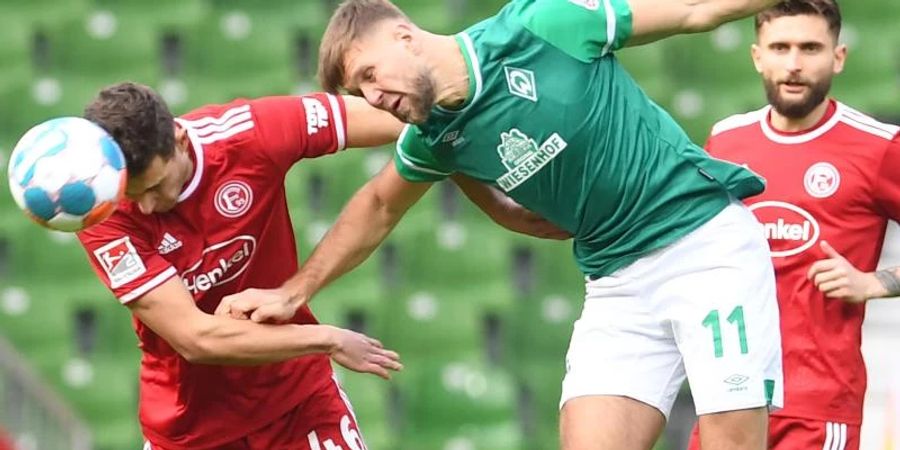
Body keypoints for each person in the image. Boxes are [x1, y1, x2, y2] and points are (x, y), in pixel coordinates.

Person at [215, 0, 799, 449]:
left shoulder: (543, 23)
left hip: (703, 245)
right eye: (359, 90)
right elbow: (379, 204)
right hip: (616, 280)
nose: (373, 96)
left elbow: (696, 10)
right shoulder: (434, 135)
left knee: (731, 437)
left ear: (403, 35)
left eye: (370, 73)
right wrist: (295, 291)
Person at [75, 82, 563, 450]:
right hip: (189, 429)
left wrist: (498, 203)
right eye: (131, 195)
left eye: (156, 186)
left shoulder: (250, 134)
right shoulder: (100, 211)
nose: (146, 208)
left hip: (297, 403)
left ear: (179, 138)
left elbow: (424, 122)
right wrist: (325, 338)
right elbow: (196, 339)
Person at [685, 1, 900, 449]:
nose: (795, 64)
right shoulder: (726, 139)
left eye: (810, 48)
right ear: (757, 56)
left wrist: (875, 283)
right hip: (727, 394)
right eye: (780, 47)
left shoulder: (877, 147)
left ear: (838, 58)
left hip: (816, 404)